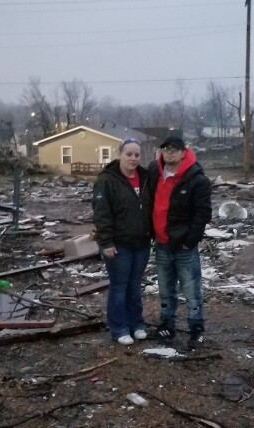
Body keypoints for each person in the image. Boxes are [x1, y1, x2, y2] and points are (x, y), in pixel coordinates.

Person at [145, 135, 212, 348]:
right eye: (165, 148)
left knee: (191, 289)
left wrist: (189, 240)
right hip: (162, 244)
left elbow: (202, 214)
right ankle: (167, 325)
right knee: (165, 289)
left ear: (184, 152)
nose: (169, 152)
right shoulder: (155, 171)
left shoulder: (196, 179)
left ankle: (196, 328)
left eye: (174, 149)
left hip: (184, 246)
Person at [92, 138, 152, 345]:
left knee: (135, 285)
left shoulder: (145, 177)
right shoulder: (107, 180)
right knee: (119, 286)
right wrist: (106, 241)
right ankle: (119, 328)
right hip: (118, 244)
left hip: (141, 243)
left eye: (137, 155)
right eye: (129, 154)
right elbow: (101, 214)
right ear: (120, 154)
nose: (133, 158)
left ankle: (137, 324)